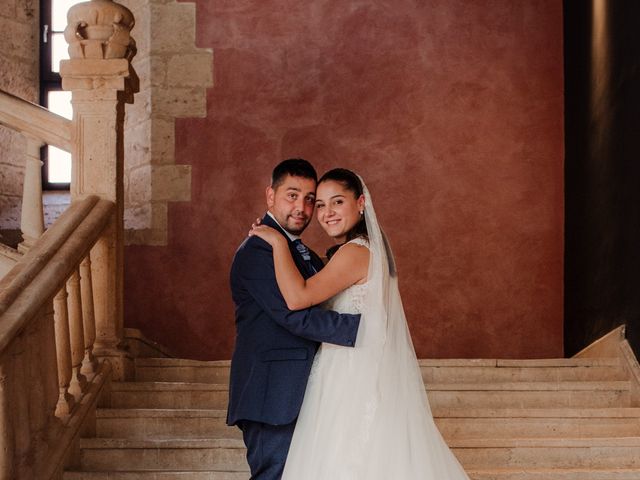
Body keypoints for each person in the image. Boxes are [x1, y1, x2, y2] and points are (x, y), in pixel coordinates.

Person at [249, 168, 470, 479]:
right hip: (355, 367)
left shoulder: (355, 253)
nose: (326, 213)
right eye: (321, 205)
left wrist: (277, 242)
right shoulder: (365, 251)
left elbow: (298, 298)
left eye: (337, 202)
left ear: (361, 202)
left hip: (350, 374)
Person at [227, 159, 361, 480]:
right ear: (270, 196)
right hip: (273, 395)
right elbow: (293, 316)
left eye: (309, 199)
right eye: (292, 195)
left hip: (304, 391)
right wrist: (363, 330)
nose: (301, 207)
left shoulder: (302, 252)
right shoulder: (258, 249)